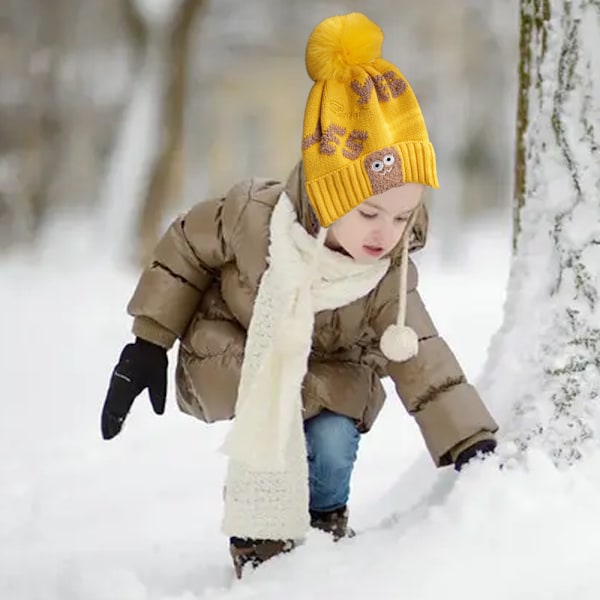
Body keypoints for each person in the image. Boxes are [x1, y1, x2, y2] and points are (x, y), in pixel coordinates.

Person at [100, 12, 498, 578]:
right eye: (369, 213)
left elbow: (422, 354)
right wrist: (148, 341)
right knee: (273, 423)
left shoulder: (388, 271)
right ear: (328, 194)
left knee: (331, 441)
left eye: (403, 216)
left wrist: (469, 440)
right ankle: (258, 546)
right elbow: (184, 248)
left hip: (334, 378)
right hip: (244, 358)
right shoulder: (252, 217)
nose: (387, 233)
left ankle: (323, 526)